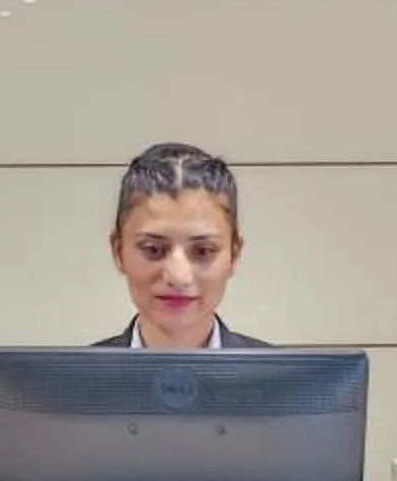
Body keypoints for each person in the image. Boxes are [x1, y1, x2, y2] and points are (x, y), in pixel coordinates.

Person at [94, 142, 274, 350]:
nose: (179, 277)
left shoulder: (288, 381)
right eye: (153, 249)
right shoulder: (71, 381)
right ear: (118, 252)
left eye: (203, 251)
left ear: (234, 255)